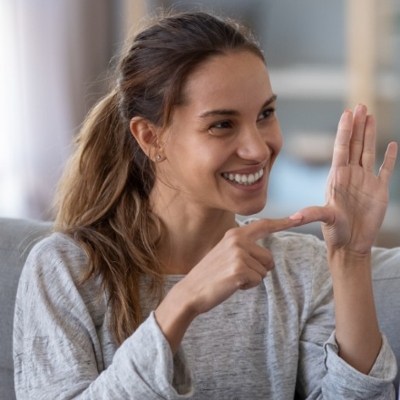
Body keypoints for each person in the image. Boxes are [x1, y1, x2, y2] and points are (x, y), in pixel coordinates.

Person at [13, 10, 398, 399]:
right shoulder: (65, 270)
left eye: (265, 114)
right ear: (150, 137)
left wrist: (351, 261)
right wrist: (184, 300)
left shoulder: (300, 268)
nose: (258, 148)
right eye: (222, 124)